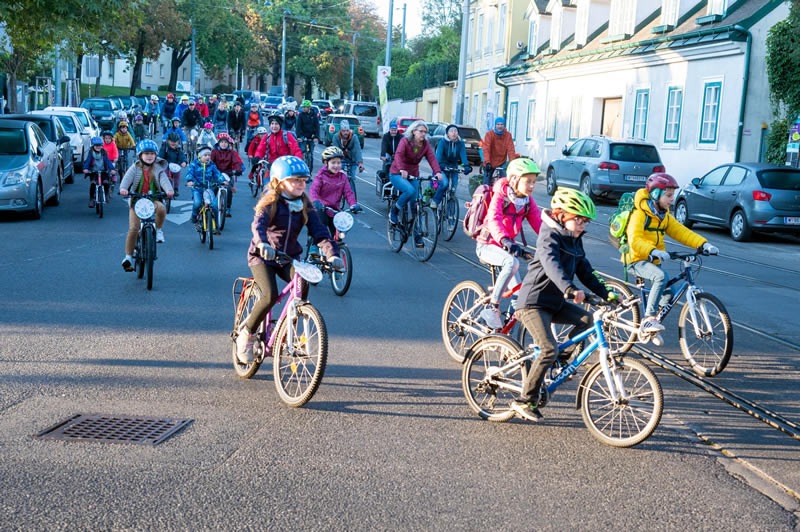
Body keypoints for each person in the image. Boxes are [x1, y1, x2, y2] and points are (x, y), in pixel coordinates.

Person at [512, 187, 617, 421]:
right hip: (533, 303)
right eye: (578, 220)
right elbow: (551, 265)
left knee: (587, 320)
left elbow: (586, 271)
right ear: (561, 214)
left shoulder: (575, 240)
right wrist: (569, 289)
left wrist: (608, 294)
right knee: (548, 347)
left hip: (555, 302)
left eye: (585, 221)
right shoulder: (548, 235)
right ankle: (524, 400)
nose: (582, 225)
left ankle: (560, 360)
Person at [235, 156, 343, 364]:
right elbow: (258, 226)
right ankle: (246, 334)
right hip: (262, 257)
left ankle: (288, 331)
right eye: (296, 180)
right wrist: (262, 244)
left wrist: (332, 254)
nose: (301, 185)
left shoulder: (304, 205)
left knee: (302, 287)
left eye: (303, 181)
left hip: (288, 258)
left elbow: (320, 232)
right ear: (279, 181)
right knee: (269, 296)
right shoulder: (271, 202)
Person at [625, 173, 718, 334]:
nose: (671, 199)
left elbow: (681, 232)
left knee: (668, 297)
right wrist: (652, 251)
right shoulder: (639, 214)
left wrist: (703, 244)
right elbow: (634, 240)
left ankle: (650, 331)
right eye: (668, 195)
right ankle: (648, 319)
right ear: (655, 194)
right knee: (660, 277)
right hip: (636, 259)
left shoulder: (664, 216)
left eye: (672, 195)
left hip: (653, 260)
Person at [475, 157, 543, 329]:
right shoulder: (501, 195)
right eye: (528, 182)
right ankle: (492, 307)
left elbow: (539, 223)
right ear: (514, 179)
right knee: (511, 262)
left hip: (507, 248)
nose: (532, 186)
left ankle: (503, 335)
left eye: (534, 182)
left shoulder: (527, 200)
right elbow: (494, 219)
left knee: (521, 296)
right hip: (488, 244)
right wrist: (505, 240)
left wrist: (556, 241)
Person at [119, 139, 174, 270]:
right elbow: (126, 180)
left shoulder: (158, 168)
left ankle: (159, 230)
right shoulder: (135, 167)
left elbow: (164, 180)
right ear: (140, 155)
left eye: (152, 154)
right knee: (133, 228)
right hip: (137, 201)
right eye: (146, 153)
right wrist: (124, 189)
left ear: (156, 155)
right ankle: (128, 257)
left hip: (153, 199)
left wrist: (169, 190)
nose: (149, 156)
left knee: (161, 208)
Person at [388, 120, 442, 232]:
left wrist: (437, 172)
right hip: (398, 173)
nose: (423, 134)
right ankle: (394, 211)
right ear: (413, 131)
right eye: (421, 131)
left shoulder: (425, 144)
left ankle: (417, 233)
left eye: (425, 132)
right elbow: (398, 155)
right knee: (410, 191)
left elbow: (432, 158)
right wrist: (401, 169)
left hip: (413, 174)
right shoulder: (405, 141)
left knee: (416, 203)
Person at [309, 146, 362, 252]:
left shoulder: (343, 177)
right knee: (321, 227)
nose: (336, 165)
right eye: (333, 163)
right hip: (321, 208)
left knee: (339, 234)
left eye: (339, 163)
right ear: (326, 163)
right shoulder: (320, 176)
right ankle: (314, 249)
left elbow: (348, 193)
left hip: (334, 211)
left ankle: (335, 255)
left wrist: (353, 205)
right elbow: (313, 191)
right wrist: (316, 202)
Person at [186, 145, 229, 230]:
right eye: (205, 155)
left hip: (208, 188)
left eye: (209, 155)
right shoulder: (194, 164)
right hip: (197, 188)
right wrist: (190, 181)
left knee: (214, 205)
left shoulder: (212, 165)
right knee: (197, 203)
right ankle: (194, 217)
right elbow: (189, 173)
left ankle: (217, 224)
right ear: (199, 156)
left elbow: (217, 174)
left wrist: (222, 180)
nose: (207, 157)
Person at [434, 124, 470, 207]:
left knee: (453, 188)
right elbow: (438, 156)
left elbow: (463, 155)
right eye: (451, 131)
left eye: (455, 131)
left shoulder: (460, 143)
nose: (454, 133)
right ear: (447, 133)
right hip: (442, 166)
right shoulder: (442, 142)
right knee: (445, 183)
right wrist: (439, 166)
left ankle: (451, 214)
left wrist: (466, 166)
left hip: (453, 166)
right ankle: (435, 201)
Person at [210, 132, 242, 216]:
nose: (223, 144)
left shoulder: (231, 152)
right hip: (216, 173)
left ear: (228, 143)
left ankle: (228, 207)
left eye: (225, 142)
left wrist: (238, 169)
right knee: (213, 189)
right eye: (222, 142)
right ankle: (211, 206)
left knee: (229, 189)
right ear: (218, 143)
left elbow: (236, 162)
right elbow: (210, 162)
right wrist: (210, 170)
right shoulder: (214, 151)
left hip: (228, 173)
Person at [480, 116, 516, 186]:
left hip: (502, 161)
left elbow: (511, 149)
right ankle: (484, 195)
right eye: (498, 124)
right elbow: (486, 149)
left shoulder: (508, 135)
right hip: (490, 161)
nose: (500, 126)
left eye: (501, 124)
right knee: (486, 183)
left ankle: (504, 194)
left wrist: (512, 163)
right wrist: (487, 162)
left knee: (506, 181)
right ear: (495, 125)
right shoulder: (489, 134)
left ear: (504, 125)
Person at [82, 136, 116, 208]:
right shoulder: (91, 154)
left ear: (102, 146)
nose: (98, 147)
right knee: (93, 183)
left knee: (106, 182)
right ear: (93, 146)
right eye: (96, 145)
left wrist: (112, 169)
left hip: (103, 171)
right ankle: (91, 199)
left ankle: (106, 194)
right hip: (93, 172)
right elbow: (87, 161)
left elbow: (108, 162)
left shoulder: (104, 153)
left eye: (100, 145)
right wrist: (85, 169)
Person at [332, 120, 363, 185]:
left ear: (349, 130)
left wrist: (360, 163)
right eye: (343, 131)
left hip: (352, 158)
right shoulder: (336, 137)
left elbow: (358, 150)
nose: (345, 133)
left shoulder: (354, 137)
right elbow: (335, 151)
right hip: (341, 158)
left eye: (347, 130)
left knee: (352, 177)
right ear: (340, 130)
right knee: (339, 175)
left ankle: (351, 191)